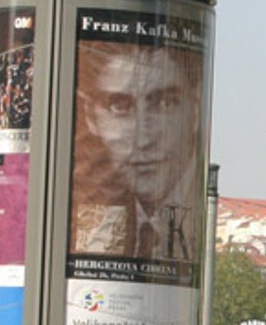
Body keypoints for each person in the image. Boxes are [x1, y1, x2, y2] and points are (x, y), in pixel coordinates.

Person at [71, 36, 205, 261]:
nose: (142, 140)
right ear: (90, 116)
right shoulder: (99, 208)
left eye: (165, 103)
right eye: (119, 107)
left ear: (195, 110)